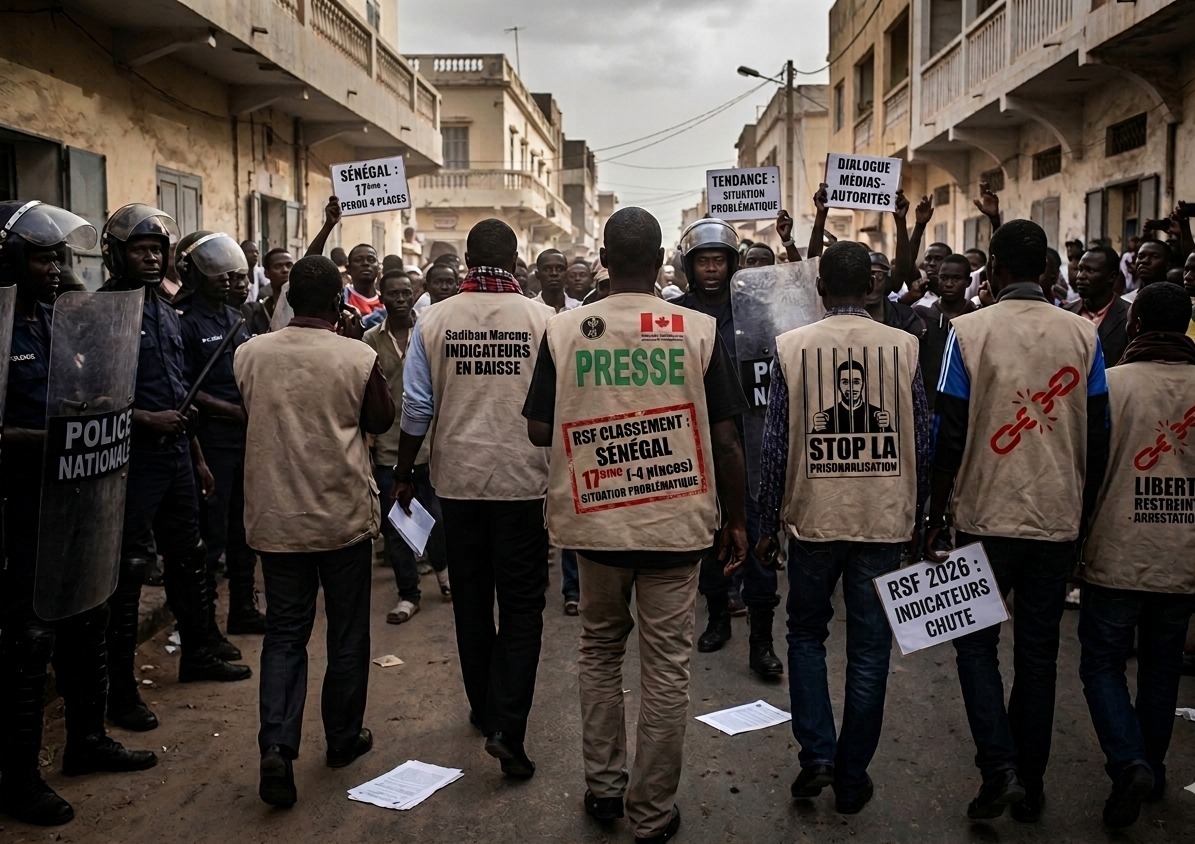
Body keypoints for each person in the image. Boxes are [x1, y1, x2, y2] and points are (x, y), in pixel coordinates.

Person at [523, 206, 749, 843]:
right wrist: (737, 518)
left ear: (604, 257)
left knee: (598, 651)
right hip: (675, 528)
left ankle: (604, 788)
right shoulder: (697, 330)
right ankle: (651, 814)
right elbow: (728, 441)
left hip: (596, 529)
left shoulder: (566, 331)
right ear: (661, 265)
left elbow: (540, 428)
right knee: (667, 668)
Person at [925, 219, 1110, 822]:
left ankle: (998, 768)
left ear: (995, 272)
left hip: (984, 514)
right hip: (1057, 518)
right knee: (1036, 654)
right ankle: (1028, 784)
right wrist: (1084, 512)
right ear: (1051, 273)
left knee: (975, 647)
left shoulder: (967, 331)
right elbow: (1099, 432)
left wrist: (934, 512)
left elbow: (947, 432)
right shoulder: (1083, 335)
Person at [0, 201, 158, 827]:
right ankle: (17, 778)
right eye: (44, 257)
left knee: (88, 613)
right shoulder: (3, 324)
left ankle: (86, 741)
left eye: (60, 257)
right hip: (18, 508)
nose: (58, 268)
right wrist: (53, 436)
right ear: (12, 258)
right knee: (26, 640)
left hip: (77, 492)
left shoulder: (57, 316)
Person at [758, 240, 928, 816]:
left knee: (806, 635)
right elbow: (922, 442)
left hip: (814, 520)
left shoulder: (793, 347)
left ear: (821, 290)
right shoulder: (906, 347)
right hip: (883, 521)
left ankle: (819, 758)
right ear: (872, 287)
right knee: (870, 650)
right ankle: (853, 777)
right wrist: (919, 518)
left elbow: (777, 444)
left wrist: (764, 523)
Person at [395, 219, 554, 780]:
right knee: (522, 605)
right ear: (516, 262)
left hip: (456, 483)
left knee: (471, 600)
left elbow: (416, 408)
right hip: (522, 483)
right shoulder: (543, 320)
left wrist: (403, 470)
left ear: (466, 260)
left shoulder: (432, 319)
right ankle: (507, 726)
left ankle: (483, 706)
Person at [235, 255, 394, 808]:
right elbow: (379, 420)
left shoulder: (250, 354)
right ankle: (343, 740)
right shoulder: (357, 354)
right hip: (341, 519)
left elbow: (247, 411)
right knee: (347, 634)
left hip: (276, 520)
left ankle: (277, 746)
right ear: (336, 304)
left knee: (285, 635)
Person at [100, 205, 252, 734]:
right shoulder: (101, 311)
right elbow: (88, 400)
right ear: (116, 254)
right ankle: (118, 691)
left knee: (192, 556)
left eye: (157, 248)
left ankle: (199, 651)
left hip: (178, 458)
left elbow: (180, 389)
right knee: (130, 573)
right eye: (140, 248)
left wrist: (197, 457)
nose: (150, 256)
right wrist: (144, 418)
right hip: (129, 461)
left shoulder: (167, 311)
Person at [1076, 281, 1195, 829]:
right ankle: (1150, 763)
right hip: (1183, 557)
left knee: (1102, 661)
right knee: (1162, 664)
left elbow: (1087, 465)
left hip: (1118, 548)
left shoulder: (1112, 384)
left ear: (1137, 325)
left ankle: (1130, 761)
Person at [675, 217, 784, 679]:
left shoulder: (758, 312)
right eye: (704, 262)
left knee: (757, 542)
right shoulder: (675, 314)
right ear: (690, 267)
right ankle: (718, 615)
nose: (712, 269)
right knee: (709, 540)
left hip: (752, 444)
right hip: (698, 444)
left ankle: (762, 640)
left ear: (733, 264)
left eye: (719, 260)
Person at [177, 232, 266, 639]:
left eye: (229, 272)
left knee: (242, 530)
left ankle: (243, 609)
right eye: (215, 272)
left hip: (244, 440)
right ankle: (206, 627)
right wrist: (229, 409)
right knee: (211, 535)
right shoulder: (185, 322)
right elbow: (184, 387)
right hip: (211, 441)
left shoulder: (235, 319)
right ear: (193, 273)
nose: (226, 279)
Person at [363, 269, 450, 625]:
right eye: (392, 294)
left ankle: (444, 575)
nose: (400, 299)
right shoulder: (370, 339)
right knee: (397, 524)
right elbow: (364, 395)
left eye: (405, 293)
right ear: (381, 298)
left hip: (430, 443)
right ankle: (408, 594)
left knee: (438, 520)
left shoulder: (429, 331)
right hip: (388, 447)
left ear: (414, 294)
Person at [915, 253, 975, 410]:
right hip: (929, 402)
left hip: (965, 402)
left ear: (968, 282)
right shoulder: (921, 314)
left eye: (956, 279)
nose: (949, 284)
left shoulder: (976, 317)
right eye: (943, 278)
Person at [1066, 246, 1130, 366]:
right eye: (1080, 269)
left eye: (1090, 271)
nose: (1080, 276)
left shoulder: (1129, 315)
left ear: (1111, 277)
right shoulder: (1066, 312)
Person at [244, 248, 292, 336]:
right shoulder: (258, 311)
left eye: (289, 265)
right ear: (266, 273)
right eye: (278, 266)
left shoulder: (304, 308)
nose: (285, 270)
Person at [1123, 239, 1174, 304]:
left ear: (1168, 265)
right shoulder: (1125, 301)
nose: (1144, 261)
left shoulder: (1174, 301)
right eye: (1140, 256)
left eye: (1154, 256)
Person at [344, 244, 382, 316]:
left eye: (371, 260)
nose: (365, 263)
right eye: (358, 260)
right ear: (348, 269)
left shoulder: (386, 303)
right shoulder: (339, 301)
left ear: (378, 268)